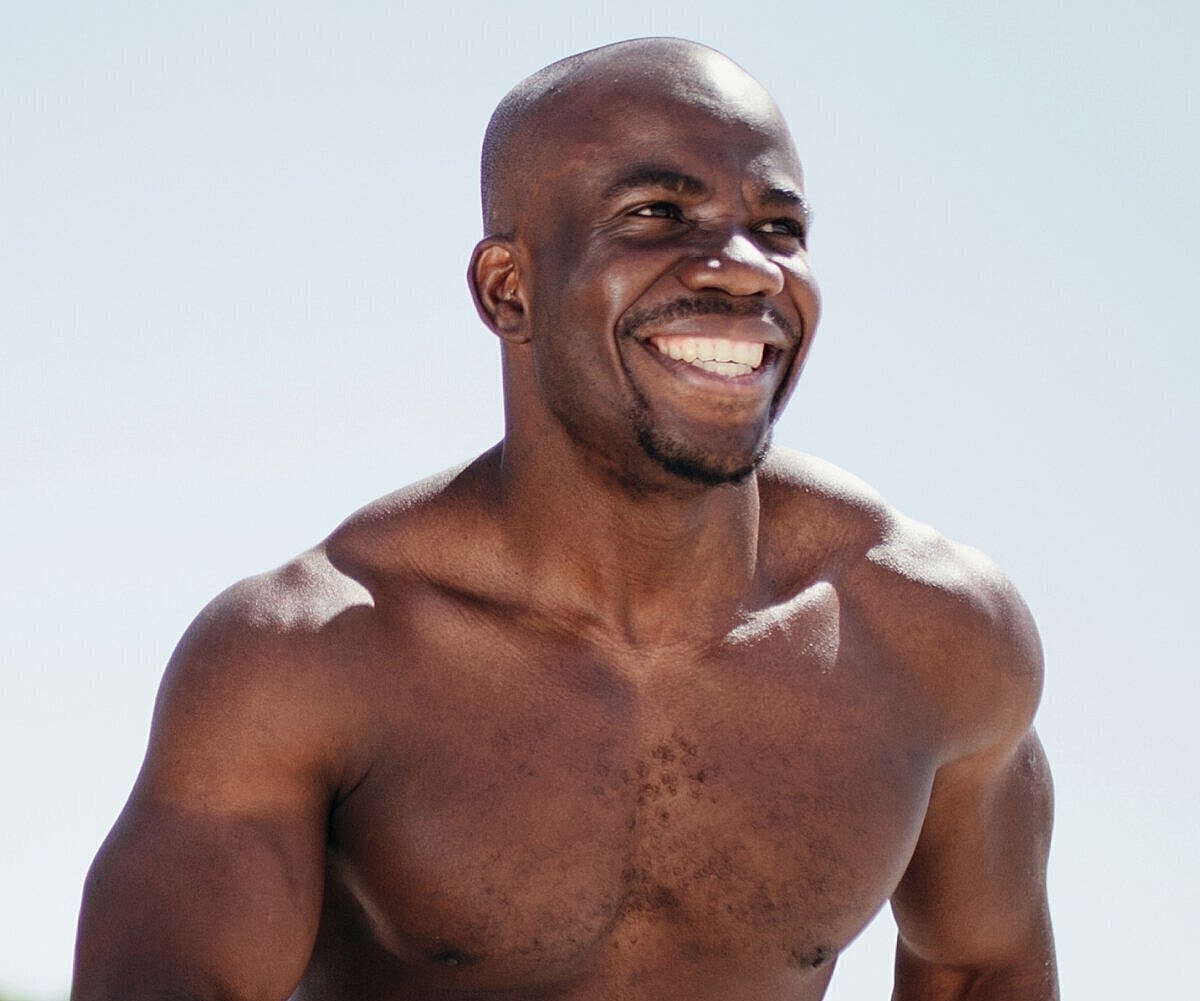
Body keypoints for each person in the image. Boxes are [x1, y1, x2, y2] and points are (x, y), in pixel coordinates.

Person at [72, 37, 1058, 1001]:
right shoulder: (309, 657)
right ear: (510, 290)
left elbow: (984, 965)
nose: (749, 268)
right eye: (658, 214)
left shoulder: (934, 634)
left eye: (780, 227)